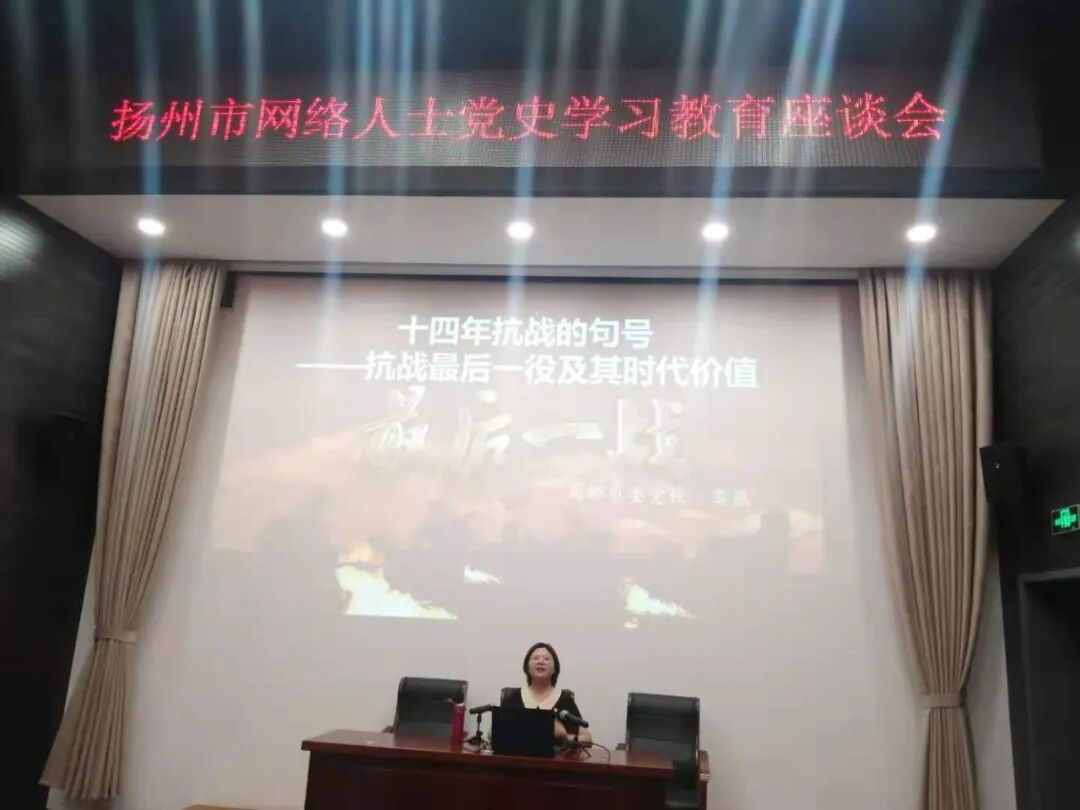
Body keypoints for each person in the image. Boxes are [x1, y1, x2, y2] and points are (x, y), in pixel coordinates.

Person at [501, 642, 592, 744]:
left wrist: (565, 737)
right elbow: (498, 734)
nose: (540, 661)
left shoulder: (565, 699)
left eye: (546, 659)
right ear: (527, 667)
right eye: (535, 658)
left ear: (555, 669)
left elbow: (587, 738)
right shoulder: (512, 698)